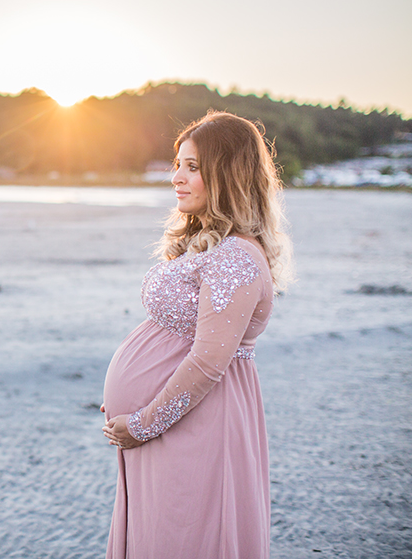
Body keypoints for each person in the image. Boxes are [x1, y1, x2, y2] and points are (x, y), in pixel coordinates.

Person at [100, 111, 293, 559]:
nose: (177, 178)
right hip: (171, 425)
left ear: (227, 174)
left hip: (193, 427)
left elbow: (208, 361)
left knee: (183, 538)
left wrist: (145, 422)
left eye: (192, 167)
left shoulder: (236, 257)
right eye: (177, 165)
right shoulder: (213, 245)